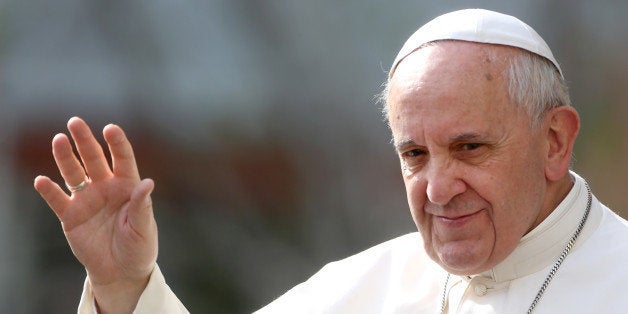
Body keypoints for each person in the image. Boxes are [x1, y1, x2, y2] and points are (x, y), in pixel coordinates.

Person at [34, 8, 628, 314]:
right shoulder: (357, 289)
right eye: (415, 155)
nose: (439, 188)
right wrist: (125, 285)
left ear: (553, 142)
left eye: (470, 148)